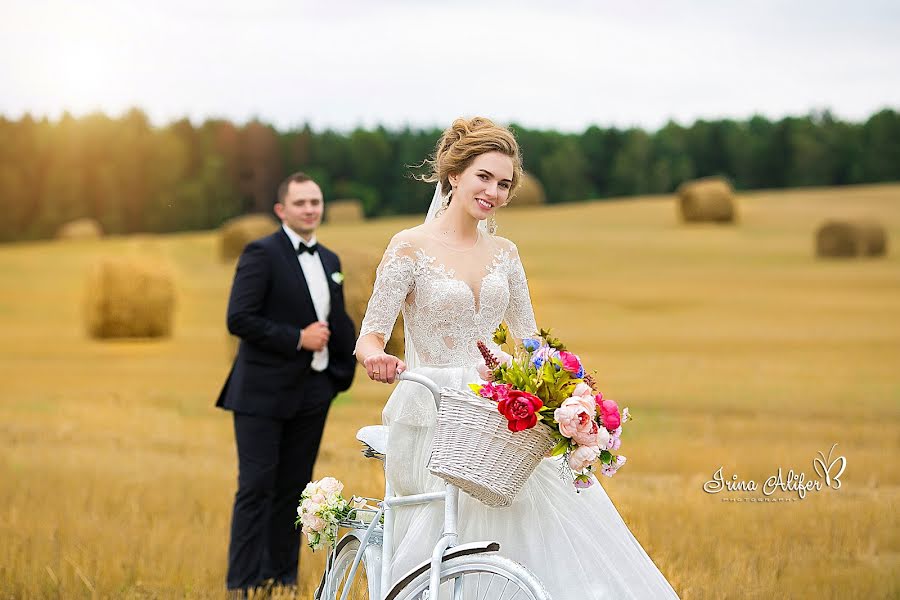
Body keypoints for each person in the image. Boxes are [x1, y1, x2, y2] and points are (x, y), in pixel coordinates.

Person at [354, 117, 680, 598]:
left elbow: (531, 343)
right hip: (430, 408)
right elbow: (369, 337)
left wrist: (570, 397)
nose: (493, 191)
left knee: (539, 527)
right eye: (484, 176)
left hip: (496, 409)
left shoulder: (505, 253)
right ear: (454, 174)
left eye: (504, 183)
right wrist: (377, 358)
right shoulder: (409, 247)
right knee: (435, 539)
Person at [216, 172, 356, 595]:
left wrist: (338, 377)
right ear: (282, 210)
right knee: (256, 488)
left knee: (294, 491)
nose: (310, 209)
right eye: (301, 203)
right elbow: (238, 319)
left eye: (315, 201)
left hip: (311, 394)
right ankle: (242, 582)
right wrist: (297, 338)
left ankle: (283, 579)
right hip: (261, 394)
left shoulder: (331, 260)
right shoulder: (260, 253)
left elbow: (339, 322)